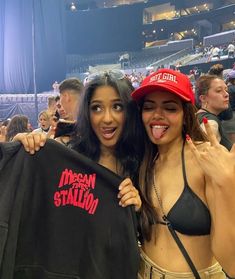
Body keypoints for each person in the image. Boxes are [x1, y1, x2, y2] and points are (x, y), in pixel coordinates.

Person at [131, 68, 235, 278]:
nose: (157, 115)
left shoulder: (206, 158)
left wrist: (227, 182)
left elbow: (232, 262)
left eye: (169, 108)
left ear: (186, 114)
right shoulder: (141, 160)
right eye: (149, 107)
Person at [14, 71, 143, 210]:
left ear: (130, 111)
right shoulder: (66, 154)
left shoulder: (143, 161)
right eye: (97, 108)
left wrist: (138, 210)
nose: (107, 119)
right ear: (86, 112)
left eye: (117, 107)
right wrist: (19, 149)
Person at [195, 74, 232, 150]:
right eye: (219, 91)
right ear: (203, 98)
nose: (226, 94)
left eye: (226, 90)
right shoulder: (210, 122)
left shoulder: (199, 116)